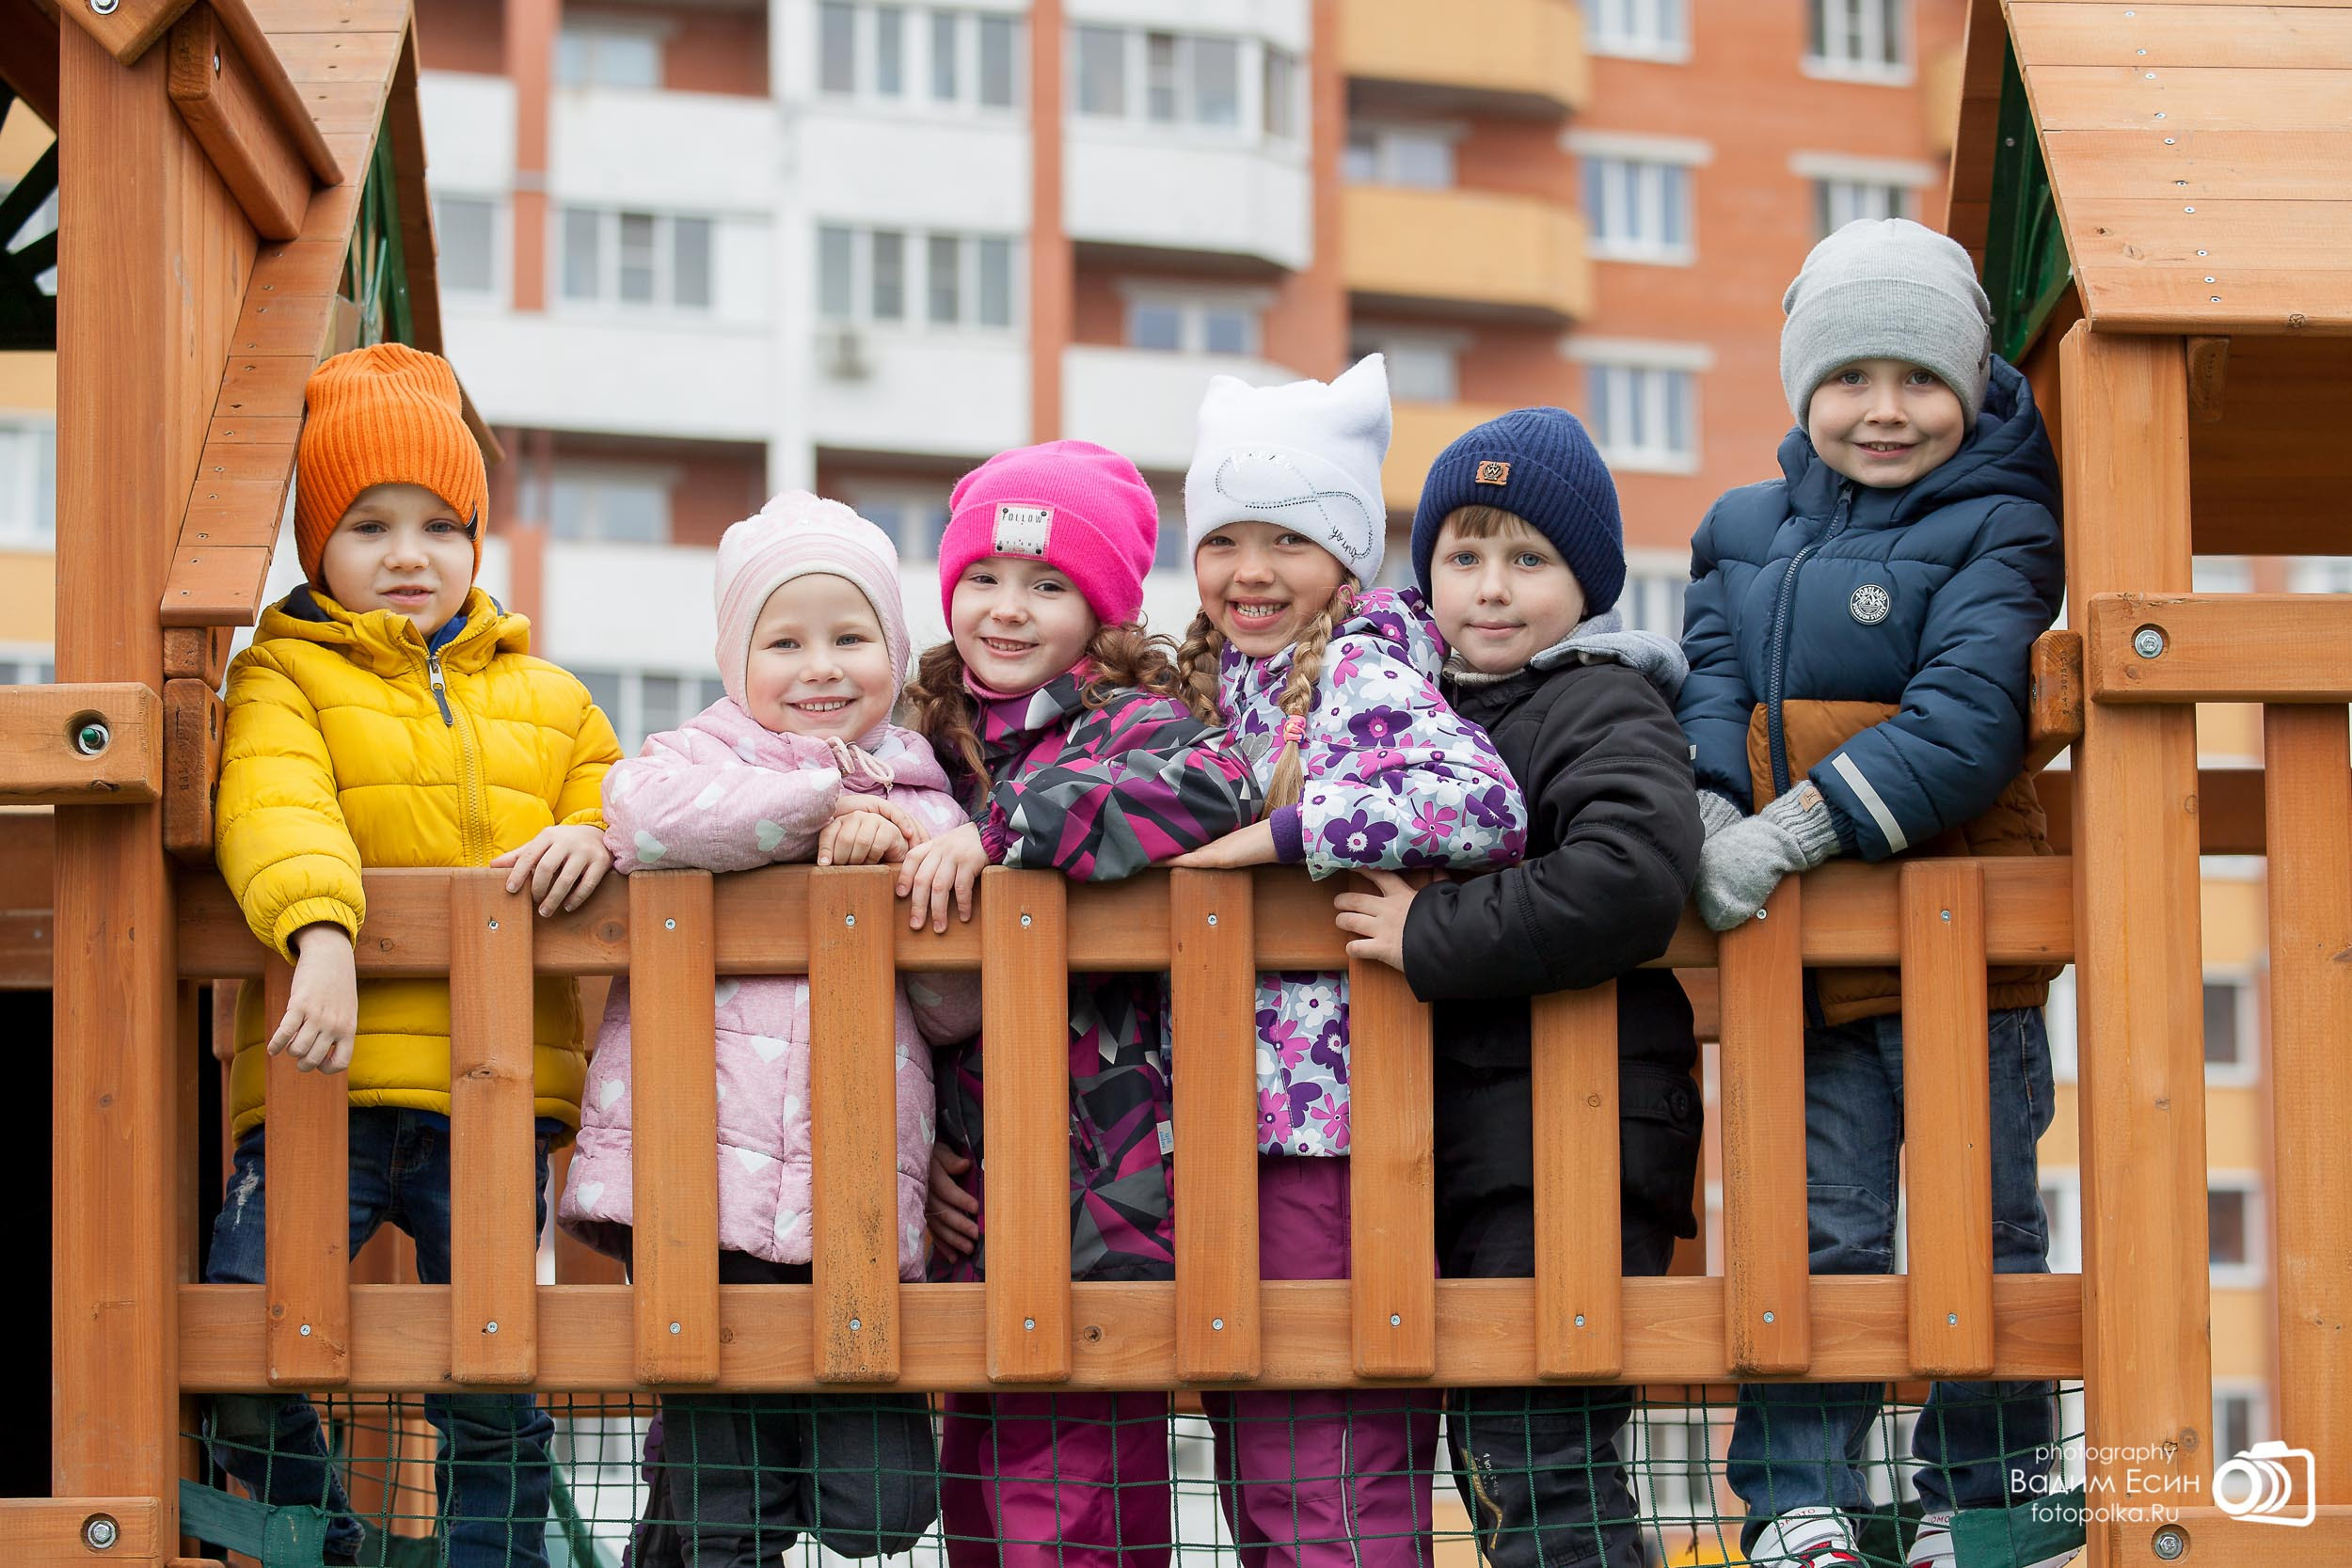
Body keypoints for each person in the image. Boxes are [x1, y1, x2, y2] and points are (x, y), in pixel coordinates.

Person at [1676, 218, 2067, 1568]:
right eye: (1850, 377)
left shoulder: (2005, 518)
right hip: (1808, 966)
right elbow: (1711, 685)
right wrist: (1714, 802)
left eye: (1919, 377)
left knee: (1984, 1219)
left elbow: (1968, 716)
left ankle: (1993, 1494)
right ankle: (1800, 1492)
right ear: (1802, 386)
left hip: (1961, 945)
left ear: (1969, 384)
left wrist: (1787, 827)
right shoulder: (1738, 527)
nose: (1883, 409)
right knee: (1815, 1222)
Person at [207, 342, 623, 1568]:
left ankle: (496, 1559)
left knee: (489, 1364)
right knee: (236, 1333)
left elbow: (630, 802)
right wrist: (320, 932)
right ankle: (333, 1538)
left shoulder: (547, 696)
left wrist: (589, 838)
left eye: (443, 524)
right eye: (370, 521)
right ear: (314, 544)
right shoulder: (286, 672)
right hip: (318, 1080)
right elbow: (276, 803)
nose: (408, 553)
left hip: (493, 1089)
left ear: (477, 540)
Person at [563, 493, 977, 1566]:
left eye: (851, 637)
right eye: (783, 641)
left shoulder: (931, 798)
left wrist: (906, 864)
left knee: (879, 1504)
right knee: (726, 1505)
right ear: (734, 659)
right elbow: (645, 814)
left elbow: (953, 1006)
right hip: (703, 1184)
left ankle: (682, 1511)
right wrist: (824, 802)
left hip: (852, 1190)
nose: (820, 666)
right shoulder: (691, 753)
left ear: (892, 648)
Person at [1168, 355, 1528, 1568]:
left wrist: (1280, 836)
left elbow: (1479, 803)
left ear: (1346, 553)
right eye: (1224, 539)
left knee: (1327, 1458)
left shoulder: (1367, 664)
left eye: (1287, 538)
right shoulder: (1212, 680)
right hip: (1226, 1120)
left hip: (1323, 1126)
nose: (1250, 571)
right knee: (1258, 1451)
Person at [1336, 406, 1706, 1568]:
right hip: (1476, 1133)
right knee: (1497, 1461)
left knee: (1534, 1456)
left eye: (1527, 558)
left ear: (1586, 582)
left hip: (1569, 1134)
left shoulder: (1600, 702)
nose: (1490, 587)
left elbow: (1632, 873)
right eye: (1463, 554)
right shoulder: (1415, 711)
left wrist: (1430, 928)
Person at [905, 439, 1263, 1568]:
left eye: (1048, 585)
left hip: (1103, 1181)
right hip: (968, 1172)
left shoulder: (1132, 720)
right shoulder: (916, 736)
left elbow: (1213, 788)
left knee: (1074, 1495)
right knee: (978, 1481)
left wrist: (996, 830)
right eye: (986, 579)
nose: (1007, 610)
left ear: (1102, 609)